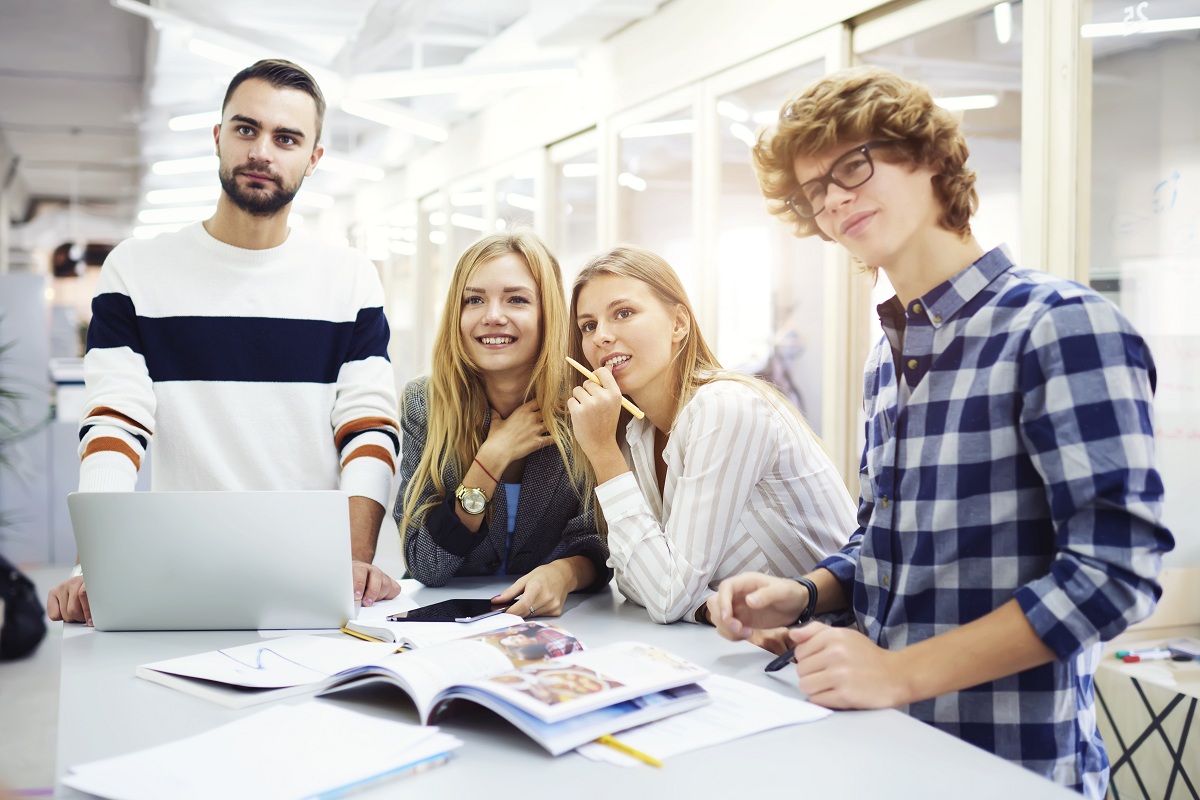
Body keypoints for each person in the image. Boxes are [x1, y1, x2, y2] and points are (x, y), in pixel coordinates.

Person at [710, 66, 1173, 798]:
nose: (834, 199)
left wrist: (898, 673)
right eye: (815, 191)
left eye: (853, 165)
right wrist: (803, 594)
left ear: (927, 155)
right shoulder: (888, 361)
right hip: (883, 749)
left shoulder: (1058, 327)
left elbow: (1115, 573)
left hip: (1009, 767)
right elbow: (887, 547)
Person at [47, 59, 402, 626]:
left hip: (311, 578)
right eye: (246, 129)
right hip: (182, 573)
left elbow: (368, 431)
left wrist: (353, 562)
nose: (262, 151)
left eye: (286, 138)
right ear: (218, 137)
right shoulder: (136, 270)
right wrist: (95, 564)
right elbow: (115, 423)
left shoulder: (349, 277)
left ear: (313, 160)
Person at [566, 246, 855, 626]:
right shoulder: (638, 431)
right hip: (760, 646)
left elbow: (665, 596)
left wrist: (602, 452)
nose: (601, 336)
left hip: (840, 642)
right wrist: (707, 606)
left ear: (678, 323)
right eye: (588, 325)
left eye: (623, 313)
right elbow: (634, 577)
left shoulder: (724, 407)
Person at [396, 231, 611, 617]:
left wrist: (564, 573)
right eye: (474, 300)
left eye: (516, 300)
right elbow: (423, 563)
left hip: (570, 627)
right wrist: (491, 459)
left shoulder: (584, 403)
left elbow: (599, 541)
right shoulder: (424, 404)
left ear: (549, 314)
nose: (493, 316)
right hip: (448, 630)